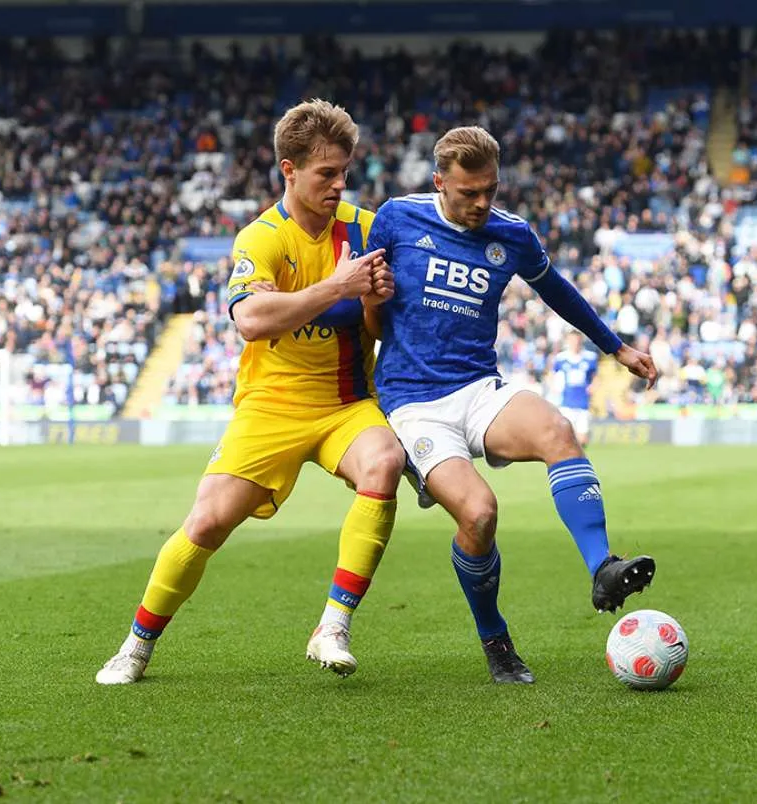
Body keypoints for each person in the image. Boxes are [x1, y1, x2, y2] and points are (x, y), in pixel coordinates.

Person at [96, 99, 404, 684]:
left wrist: (371, 299)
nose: (340, 185)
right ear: (288, 170)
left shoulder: (367, 228)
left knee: (384, 463)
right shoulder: (261, 237)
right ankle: (136, 645)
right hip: (270, 408)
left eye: (344, 172)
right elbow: (253, 320)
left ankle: (332, 625)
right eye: (326, 174)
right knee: (208, 522)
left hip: (346, 405)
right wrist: (338, 283)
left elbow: (379, 329)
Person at [364, 126, 660, 684]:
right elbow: (367, 308)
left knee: (558, 431)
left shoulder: (512, 235)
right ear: (438, 183)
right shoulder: (397, 218)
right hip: (412, 404)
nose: (481, 204)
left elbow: (559, 292)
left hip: (479, 388)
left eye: (490, 191)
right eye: (467, 193)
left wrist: (616, 348)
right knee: (478, 516)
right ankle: (495, 639)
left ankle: (602, 567)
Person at [550, 332, 599, 447]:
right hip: (566, 401)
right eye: (572, 341)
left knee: (583, 440)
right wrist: (554, 386)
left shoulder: (590, 357)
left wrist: (593, 387)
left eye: (577, 341)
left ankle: (579, 458)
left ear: (581, 341)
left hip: (583, 402)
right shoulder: (561, 358)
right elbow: (552, 374)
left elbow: (595, 376)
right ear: (568, 341)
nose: (575, 343)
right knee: (566, 437)